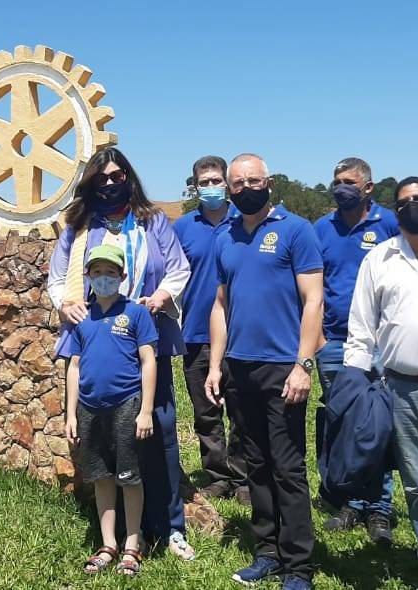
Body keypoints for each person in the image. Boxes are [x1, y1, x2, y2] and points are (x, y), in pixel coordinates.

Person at [47, 147, 195, 560]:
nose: (111, 183)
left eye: (117, 176)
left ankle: (168, 526)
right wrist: (65, 304)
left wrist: (163, 294)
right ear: (91, 182)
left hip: (147, 338)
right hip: (98, 345)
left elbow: (177, 268)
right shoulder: (78, 227)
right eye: (102, 178)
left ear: (129, 176)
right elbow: (58, 278)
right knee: (103, 439)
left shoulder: (152, 221)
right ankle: (116, 535)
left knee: (159, 428)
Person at [206, 153, 323, 590]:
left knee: (287, 467)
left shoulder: (296, 230)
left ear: (269, 182)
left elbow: (314, 300)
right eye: (237, 183)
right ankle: (268, 550)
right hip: (240, 367)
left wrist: (303, 365)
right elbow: (220, 305)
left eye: (252, 181)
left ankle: (299, 566)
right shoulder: (227, 237)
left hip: (283, 369)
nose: (244, 188)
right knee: (255, 463)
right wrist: (216, 366)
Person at [312, 157, 400, 545]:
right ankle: (351, 501)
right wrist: (316, 341)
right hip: (334, 341)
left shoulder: (390, 225)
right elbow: (311, 287)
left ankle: (379, 508)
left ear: (368, 187)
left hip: (382, 343)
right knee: (345, 424)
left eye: (348, 181)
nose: (340, 187)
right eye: (336, 181)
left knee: (377, 426)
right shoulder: (321, 229)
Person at [64, 244, 158, 576]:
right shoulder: (83, 317)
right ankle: (108, 544)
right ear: (88, 276)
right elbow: (74, 367)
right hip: (90, 409)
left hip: (126, 405)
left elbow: (148, 362)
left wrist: (145, 410)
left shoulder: (135, 313)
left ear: (122, 276)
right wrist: (71, 414)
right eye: (97, 272)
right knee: (101, 477)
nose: (104, 278)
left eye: (110, 272)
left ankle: (132, 544)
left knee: (129, 477)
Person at [172, 155, 248, 504]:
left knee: (241, 409)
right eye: (204, 182)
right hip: (195, 335)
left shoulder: (245, 221)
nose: (211, 187)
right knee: (206, 411)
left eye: (217, 181)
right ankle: (217, 474)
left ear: (228, 184)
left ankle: (245, 477)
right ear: (195, 186)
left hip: (240, 334)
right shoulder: (183, 228)